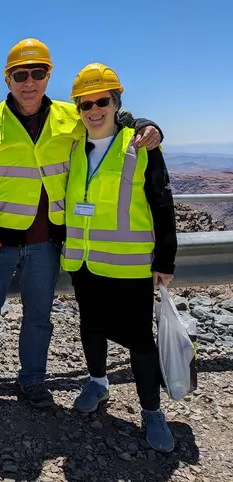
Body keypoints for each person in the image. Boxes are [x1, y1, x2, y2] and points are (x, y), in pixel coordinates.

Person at [0, 38, 163, 412]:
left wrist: (148, 125)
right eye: (21, 74)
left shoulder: (72, 116)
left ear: (48, 76)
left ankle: (33, 381)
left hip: (46, 244)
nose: (29, 81)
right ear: (8, 79)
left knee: (39, 319)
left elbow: (112, 119)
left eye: (38, 72)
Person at [61, 63, 177, 452]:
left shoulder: (141, 144)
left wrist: (165, 260)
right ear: (77, 107)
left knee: (139, 341)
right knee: (91, 329)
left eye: (102, 101)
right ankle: (98, 383)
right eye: (85, 103)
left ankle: (152, 412)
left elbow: (162, 202)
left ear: (116, 103)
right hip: (85, 263)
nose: (93, 110)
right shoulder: (74, 145)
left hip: (129, 265)